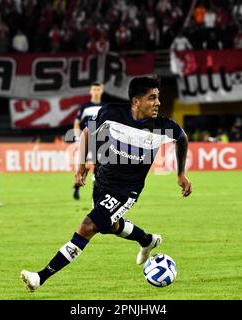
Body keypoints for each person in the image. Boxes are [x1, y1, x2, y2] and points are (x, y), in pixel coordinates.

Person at [20, 76, 192, 292]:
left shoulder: (162, 126)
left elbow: (182, 138)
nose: (158, 103)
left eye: (158, 98)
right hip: (102, 182)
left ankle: (40, 277)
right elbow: (86, 133)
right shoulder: (111, 113)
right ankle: (147, 240)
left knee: (88, 227)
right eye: (152, 98)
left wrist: (181, 174)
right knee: (109, 225)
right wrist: (81, 165)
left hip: (126, 190)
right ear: (136, 101)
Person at [72, 82, 104, 200]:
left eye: (98, 89)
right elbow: (76, 123)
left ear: (101, 91)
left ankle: (96, 193)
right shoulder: (85, 107)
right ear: (91, 91)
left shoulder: (104, 107)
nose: (96, 91)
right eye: (94, 89)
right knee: (83, 167)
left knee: (99, 167)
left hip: (100, 142)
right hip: (87, 141)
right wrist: (76, 138)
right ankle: (76, 186)